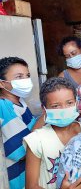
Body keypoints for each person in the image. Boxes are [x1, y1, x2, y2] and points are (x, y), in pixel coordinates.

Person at [23, 77, 81, 189]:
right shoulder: (36, 140)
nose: (64, 109)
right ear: (44, 109)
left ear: (76, 102)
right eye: (56, 106)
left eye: (69, 103)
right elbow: (31, 186)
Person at [0, 57, 36, 189]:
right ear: (2, 83)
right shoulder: (4, 107)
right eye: (19, 77)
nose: (26, 80)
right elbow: (21, 152)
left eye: (27, 76)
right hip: (18, 178)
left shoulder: (19, 102)